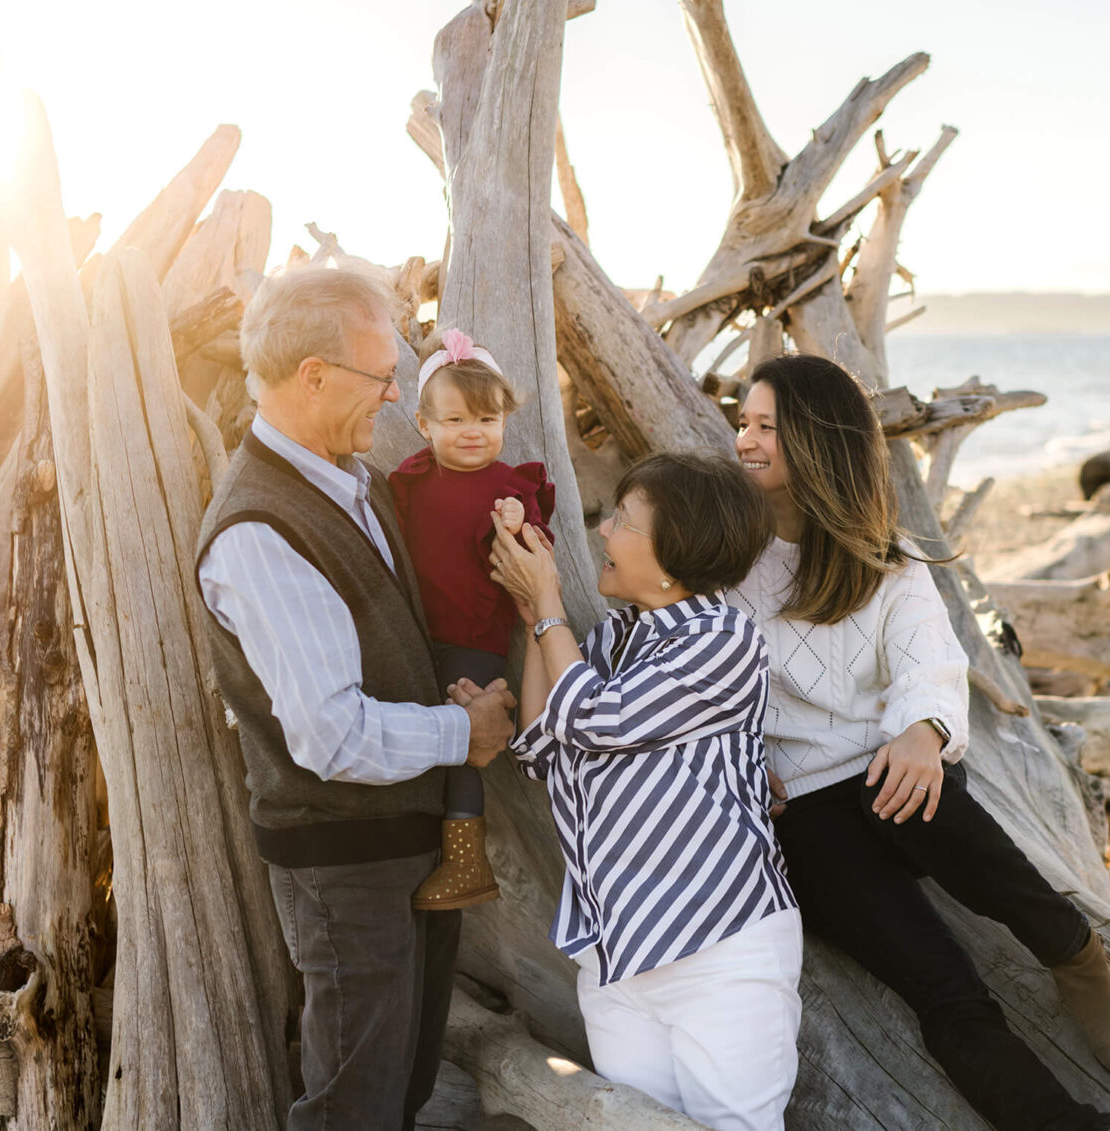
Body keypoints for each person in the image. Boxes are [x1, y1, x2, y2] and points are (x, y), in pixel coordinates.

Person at [731, 353, 1110, 1131]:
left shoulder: (882, 559)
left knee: (909, 796)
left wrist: (925, 731)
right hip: (807, 818)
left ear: (816, 443)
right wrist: (741, 772)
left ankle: (1071, 949)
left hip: (895, 779)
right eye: (744, 422)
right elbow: (703, 685)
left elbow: (931, 657)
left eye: (764, 427)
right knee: (945, 993)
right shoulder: (725, 558)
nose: (743, 439)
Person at [194, 263, 518, 1131]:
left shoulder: (359, 480)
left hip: (404, 843)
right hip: (346, 863)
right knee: (354, 1106)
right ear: (314, 377)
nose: (391, 395)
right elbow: (330, 736)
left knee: (402, 1087)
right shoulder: (260, 531)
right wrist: (465, 731)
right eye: (381, 377)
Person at [480, 452, 801, 1131]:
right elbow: (542, 744)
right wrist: (532, 610)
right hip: (616, 954)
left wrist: (548, 610)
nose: (602, 530)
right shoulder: (613, 642)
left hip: (718, 942)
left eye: (623, 519)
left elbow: (601, 719)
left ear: (674, 551)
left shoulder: (722, 639)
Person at [388, 327, 554, 910]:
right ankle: (412, 842)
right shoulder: (410, 481)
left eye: (486, 421)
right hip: (412, 634)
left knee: (461, 736)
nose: (471, 433)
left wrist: (515, 524)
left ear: (504, 423)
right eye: (455, 421)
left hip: (473, 637)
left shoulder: (510, 488)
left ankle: (467, 859)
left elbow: (539, 557)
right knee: (410, 732)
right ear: (423, 425)